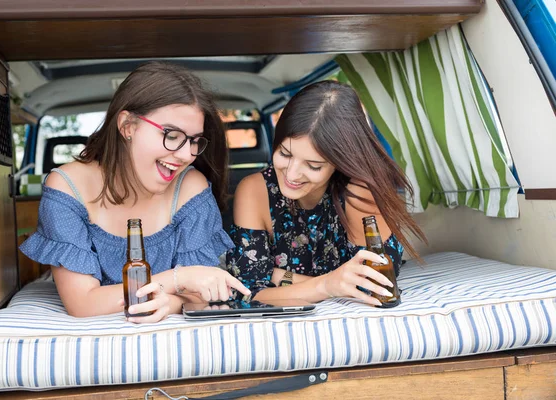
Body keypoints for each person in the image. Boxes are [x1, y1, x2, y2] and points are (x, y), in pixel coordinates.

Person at [21, 62, 250, 322]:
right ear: (128, 126)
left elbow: (200, 292)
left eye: (194, 140)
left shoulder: (191, 188)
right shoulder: (67, 188)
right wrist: (178, 279)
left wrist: (173, 302)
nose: (187, 154)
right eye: (172, 135)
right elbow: (82, 303)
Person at [226, 80, 426, 306]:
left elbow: (371, 286)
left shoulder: (360, 192)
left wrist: (277, 275)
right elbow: (245, 289)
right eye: (284, 153)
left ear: (339, 163)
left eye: (313, 165)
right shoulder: (254, 189)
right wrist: (327, 284)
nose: (292, 174)